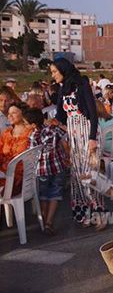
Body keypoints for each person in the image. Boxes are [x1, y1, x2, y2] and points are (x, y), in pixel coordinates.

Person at [50, 58, 104, 227]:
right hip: (74, 137)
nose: (53, 76)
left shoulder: (82, 84)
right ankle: (86, 213)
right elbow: (60, 115)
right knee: (78, 177)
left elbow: (93, 113)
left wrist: (92, 138)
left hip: (88, 133)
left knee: (90, 174)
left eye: (54, 72)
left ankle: (99, 213)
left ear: (63, 70)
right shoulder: (62, 89)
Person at [24, 108, 68, 236]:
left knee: (43, 195)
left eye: (26, 123)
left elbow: (31, 154)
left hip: (42, 170)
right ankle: (49, 221)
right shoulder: (53, 129)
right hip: (58, 167)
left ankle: (43, 221)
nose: (26, 126)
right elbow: (64, 139)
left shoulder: (33, 136)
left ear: (33, 125)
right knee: (55, 194)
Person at [0, 103, 33, 197]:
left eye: (13, 113)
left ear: (23, 114)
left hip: (20, 177)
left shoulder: (30, 133)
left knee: (4, 193)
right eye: (9, 113)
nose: (9, 116)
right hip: (3, 174)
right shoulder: (6, 133)